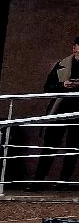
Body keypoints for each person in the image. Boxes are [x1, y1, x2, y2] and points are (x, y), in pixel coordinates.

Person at [35, 36, 79, 185]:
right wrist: (63, 86)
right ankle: (37, 181)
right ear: (74, 48)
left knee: (72, 147)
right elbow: (48, 88)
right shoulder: (62, 65)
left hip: (77, 112)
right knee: (50, 144)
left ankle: (63, 182)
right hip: (60, 109)